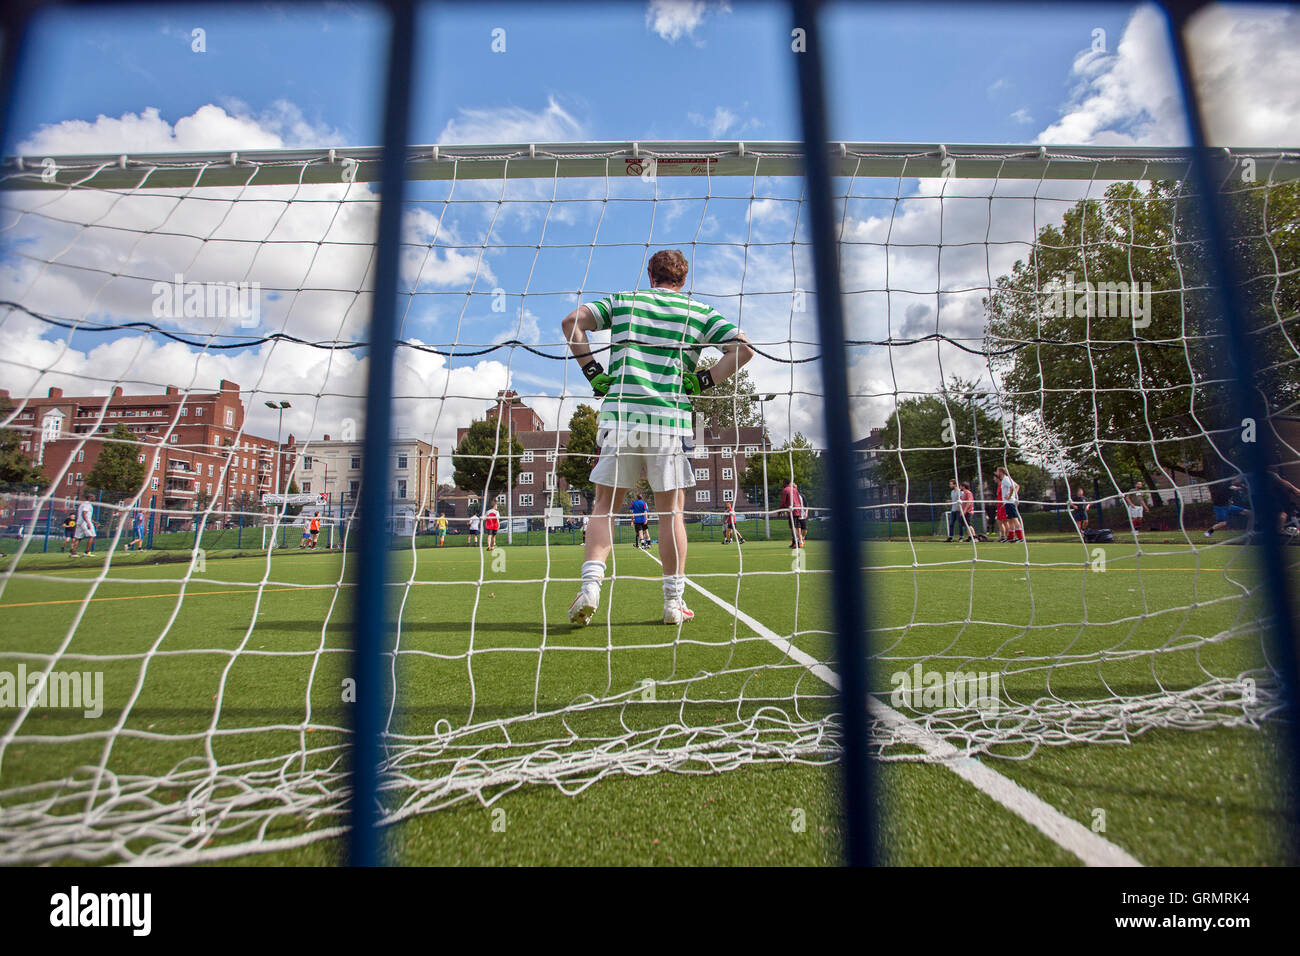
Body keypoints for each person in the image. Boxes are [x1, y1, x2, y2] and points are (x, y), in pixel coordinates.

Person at [561, 248, 753, 626]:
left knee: (604, 506)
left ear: (650, 276)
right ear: (683, 280)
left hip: (622, 416)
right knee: (671, 511)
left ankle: (591, 587)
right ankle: (672, 602)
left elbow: (571, 322)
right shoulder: (699, 313)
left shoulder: (623, 302)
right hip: (670, 421)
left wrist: (592, 371)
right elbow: (743, 349)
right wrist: (704, 379)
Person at [996, 466, 1024, 542]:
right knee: (1010, 520)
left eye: (997, 471)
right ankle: (1011, 537)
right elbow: (1017, 486)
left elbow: (1013, 486)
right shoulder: (1006, 479)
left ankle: (1021, 538)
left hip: (1010, 502)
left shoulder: (1005, 479)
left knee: (1015, 519)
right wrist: (1013, 495)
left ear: (1001, 472)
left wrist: (1010, 496)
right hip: (1007, 502)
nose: (996, 473)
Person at [779, 478, 806, 549]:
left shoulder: (785, 490)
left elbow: (783, 502)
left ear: (785, 483)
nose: (782, 484)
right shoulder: (795, 490)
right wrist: (800, 511)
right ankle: (795, 542)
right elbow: (798, 501)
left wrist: (780, 511)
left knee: (794, 528)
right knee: (795, 527)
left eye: (782, 482)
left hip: (793, 512)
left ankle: (797, 543)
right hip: (797, 510)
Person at [70, 491, 95, 556]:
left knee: (78, 538)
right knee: (91, 536)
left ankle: (73, 553)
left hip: (80, 522)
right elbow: (84, 514)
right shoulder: (87, 504)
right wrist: (88, 523)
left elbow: (86, 515)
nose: (94, 498)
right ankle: (87, 552)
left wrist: (93, 522)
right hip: (85, 523)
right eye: (93, 497)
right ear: (90, 497)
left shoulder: (82, 504)